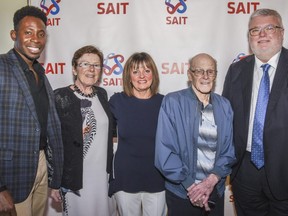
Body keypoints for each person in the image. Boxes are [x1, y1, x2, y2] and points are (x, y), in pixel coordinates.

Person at [222, 8, 288, 216]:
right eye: (255, 30)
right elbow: (225, 121)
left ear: (282, 32)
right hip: (245, 171)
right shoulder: (236, 71)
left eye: (269, 28)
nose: (262, 34)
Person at [0, 5, 63, 216]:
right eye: (28, 32)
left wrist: (54, 176)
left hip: (41, 165)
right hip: (11, 172)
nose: (36, 39)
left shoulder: (40, 75)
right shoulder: (1, 67)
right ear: (13, 34)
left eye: (41, 33)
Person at [155, 53, 236, 216]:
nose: (205, 76)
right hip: (182, 193)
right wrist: (193, 187)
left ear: (215, 74)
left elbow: (229, 152)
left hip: (215, 191)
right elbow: (165, 153)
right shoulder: (172, 102)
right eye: (199, 71)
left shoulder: (224, 106)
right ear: (190, 74)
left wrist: (211, 181)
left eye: (210, 71)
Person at [54, 45, 116, 216]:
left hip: (101, 175)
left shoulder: (102, 95)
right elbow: (53, 143)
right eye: (85, 64)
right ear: (74, 69)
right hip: (75, 177)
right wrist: (54, 182)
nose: (91, 69)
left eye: (96, 65)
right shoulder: (60, 97)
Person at [108, 52, 166, 216]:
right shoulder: (117, 101)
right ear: (128, 76)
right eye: (135, 71)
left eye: (147, 70)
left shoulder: (165, 103)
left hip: (157, 177)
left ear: (153, 74)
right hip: (125, 176)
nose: (142, 76)